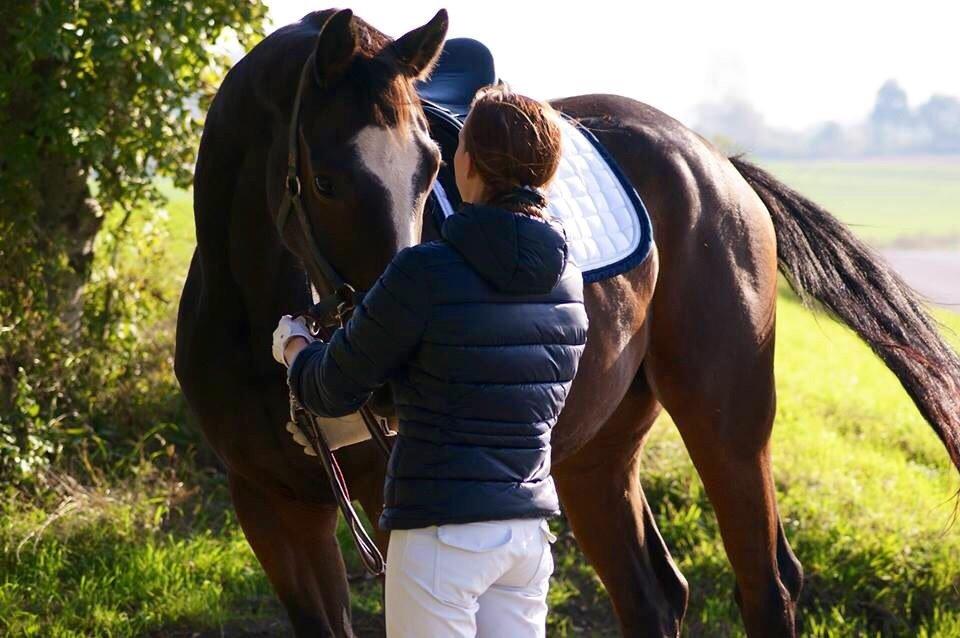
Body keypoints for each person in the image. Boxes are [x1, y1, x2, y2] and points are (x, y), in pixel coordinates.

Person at [272, 85, 587, 638]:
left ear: (465, 163)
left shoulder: (424, 272)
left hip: (442, 534)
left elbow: (328, 388)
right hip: (527, 534)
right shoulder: (569, 280)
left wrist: (295, 345)